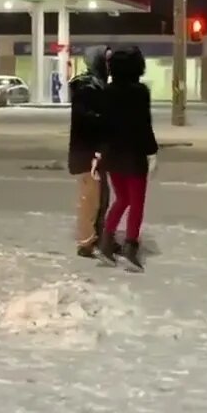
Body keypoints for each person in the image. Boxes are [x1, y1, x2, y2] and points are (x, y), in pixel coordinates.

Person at [97, 47, 159, 271]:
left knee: (121, 198)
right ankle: (130, 247)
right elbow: (144, 125)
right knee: (136, 202)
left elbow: (102, 125)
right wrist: (152, 151)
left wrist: (101, 151)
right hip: (134, 154)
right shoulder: (140, 92)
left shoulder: (108, 91)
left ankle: (106, 241)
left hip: (113, 154)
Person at [68, 45, 111, 258]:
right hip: (87, 154)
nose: (110, 65)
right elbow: (88, 120)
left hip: (97, 152)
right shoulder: (87, 87)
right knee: (90, 200)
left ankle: (99, 236)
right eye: (107, 60)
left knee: (102, 197)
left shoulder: (99, 85)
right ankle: (86, 243)